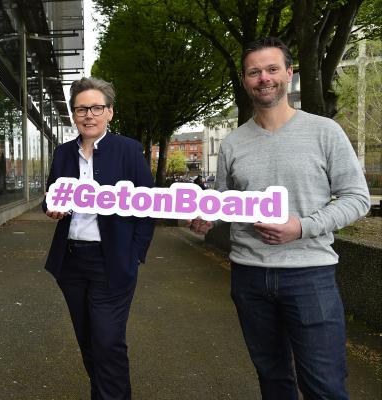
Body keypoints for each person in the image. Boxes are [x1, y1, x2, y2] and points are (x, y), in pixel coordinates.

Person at [189, 37, 370, 399]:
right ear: (244, 81)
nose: (263, 78)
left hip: (310, 276)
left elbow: (357, 198)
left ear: (289, 73)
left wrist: (301, 227)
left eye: (272, 69)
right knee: (272, 380)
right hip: (249, 276)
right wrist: (207, 217)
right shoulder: (233, 144)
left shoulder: (325, 132)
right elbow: (226, 203)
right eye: (254, 72)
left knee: (324, 386)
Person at [43, 77, 155, 400]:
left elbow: (148, 207)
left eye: (96, 108)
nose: (88, 115)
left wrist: (134, 255)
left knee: (108, 343)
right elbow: (51, 197)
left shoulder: (129, 150)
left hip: (113, 263)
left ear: (109, 112)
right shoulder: (63, 153)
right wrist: (52, 207)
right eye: (81, 109)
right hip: (73, 263)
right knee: (89, 344)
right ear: (74, 114)